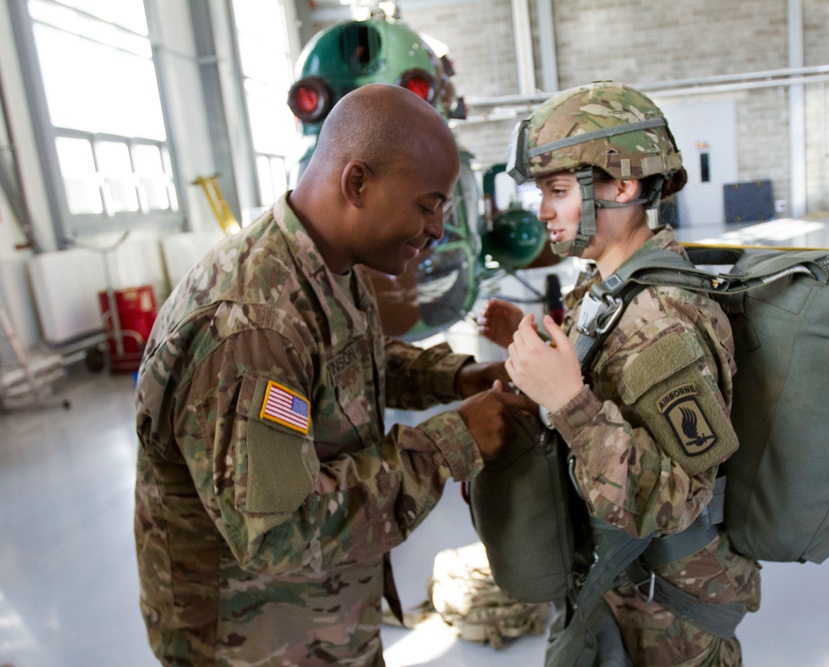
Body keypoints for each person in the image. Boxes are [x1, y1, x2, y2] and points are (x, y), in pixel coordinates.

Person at [134, 83, 535, 666]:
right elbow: (279, 532)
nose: (437, 229)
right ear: (357, 183)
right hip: (254, 638)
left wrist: (459, 378)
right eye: (427, 206)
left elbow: (352, 363)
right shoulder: (252, 326)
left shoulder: (330, 264)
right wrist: (454, 440)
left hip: (322, 615)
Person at [479, 81, 761, 666]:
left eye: (558, 190)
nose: (544, 211)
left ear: (623, 185)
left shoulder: (665, 319)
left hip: (669, 622)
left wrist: (570, 404)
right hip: (617, 587)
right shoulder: (607, 287)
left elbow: (678, 500)